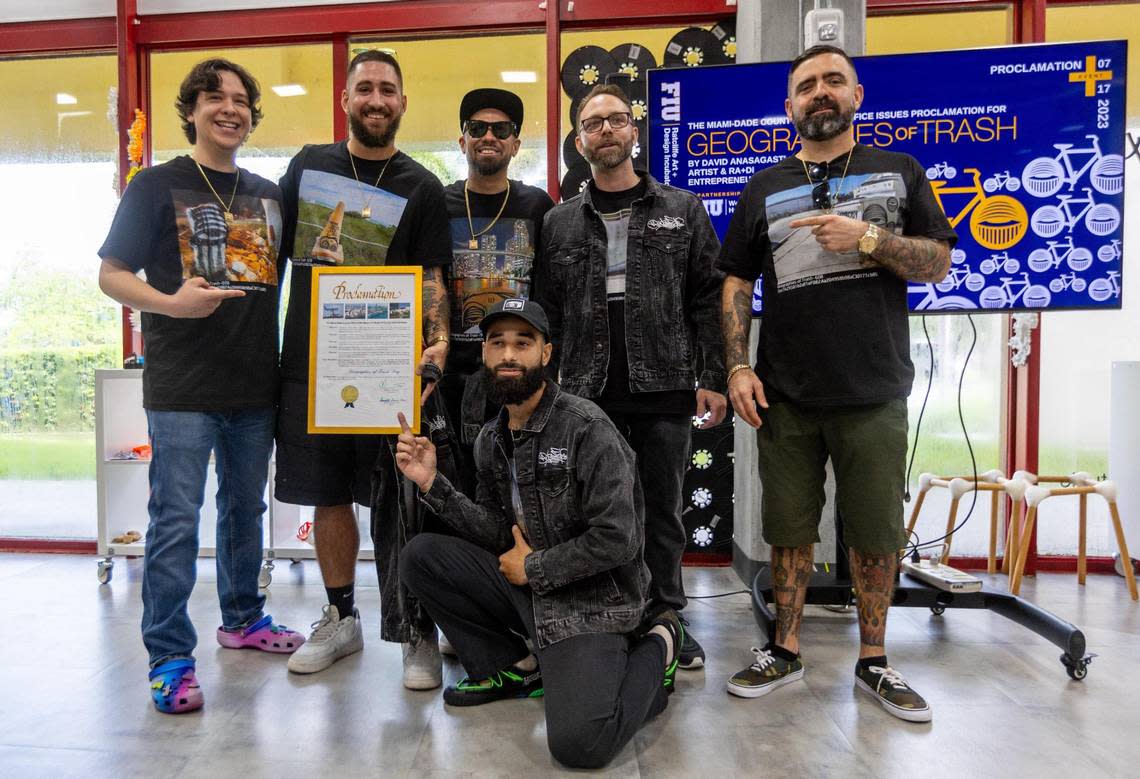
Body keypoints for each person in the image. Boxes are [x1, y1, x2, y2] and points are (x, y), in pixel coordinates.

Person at [718, 45, 956, 722]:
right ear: (789, 106)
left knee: (876, 530)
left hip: (874, 388)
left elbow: (937, 261)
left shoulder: (899, 170)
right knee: (788, 529)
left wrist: (871, 240)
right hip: (786, 392)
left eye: (832, 81)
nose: (819, 93)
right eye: (805, 86)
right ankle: (785, 649)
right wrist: (736, 364)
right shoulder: (763, 186)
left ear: (857, 94)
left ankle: (876, 660)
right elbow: (735, 279)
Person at [395, 298, 681, 770]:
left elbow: (619, 538)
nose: (509, 355)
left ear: (545, 355)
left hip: (591, 603)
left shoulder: (588, 428)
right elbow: (494, 530)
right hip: (530, 591)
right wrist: (431, 481)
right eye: (497, 343)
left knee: (580, 745)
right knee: (421, 556)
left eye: (522, 343)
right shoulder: (491, 439)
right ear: (484, 354)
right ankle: (514, 666)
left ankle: (659, 641)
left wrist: (533, 568)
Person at [98, 58, 303, 714]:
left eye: (241, 99)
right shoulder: (155, 185)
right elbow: (110, 274)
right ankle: (169, 654)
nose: (229, 109)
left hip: (254, 383)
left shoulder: (269, 192)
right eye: (215, 97)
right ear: (191, 110)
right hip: (183, 386)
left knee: (246, 511)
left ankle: (243, 617)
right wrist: (169, 302)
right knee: (176, 520)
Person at [274, 50, 453, 688]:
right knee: (327, 494)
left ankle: (413, 632)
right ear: (346, 100)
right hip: (310, 365)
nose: (376, 100)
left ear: (403, 103)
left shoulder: (422, 185)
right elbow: (271, 258)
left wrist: (438, 342)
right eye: (365, 89)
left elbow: (432, 277)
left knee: (401, 499)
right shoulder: (307, 166)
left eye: (388, 90)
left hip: (389, 370)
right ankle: (341, 617)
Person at [535, 83, 727, 670]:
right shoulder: (558, 223)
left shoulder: (683, 210)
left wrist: (714, 375)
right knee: (597, 514)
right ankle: (609, 617)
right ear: (579, 142)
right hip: (584, 394)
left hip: (664, 386)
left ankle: (666, 616)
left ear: (634, 131)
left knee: (663, 510)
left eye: (617, 119)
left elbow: (708, 301)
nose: (607, 130)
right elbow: (549, 314)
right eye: (594, 124)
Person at [440, 88, 554, 496]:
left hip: (518, 377)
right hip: (451, 378)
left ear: (515, 143)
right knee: (457, 486)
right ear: (462, 140)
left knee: (519, 488)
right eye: (477, 128)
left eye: (501, 129)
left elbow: (550, 290)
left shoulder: (538, 205)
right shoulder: (439, 203)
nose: (489, 136)